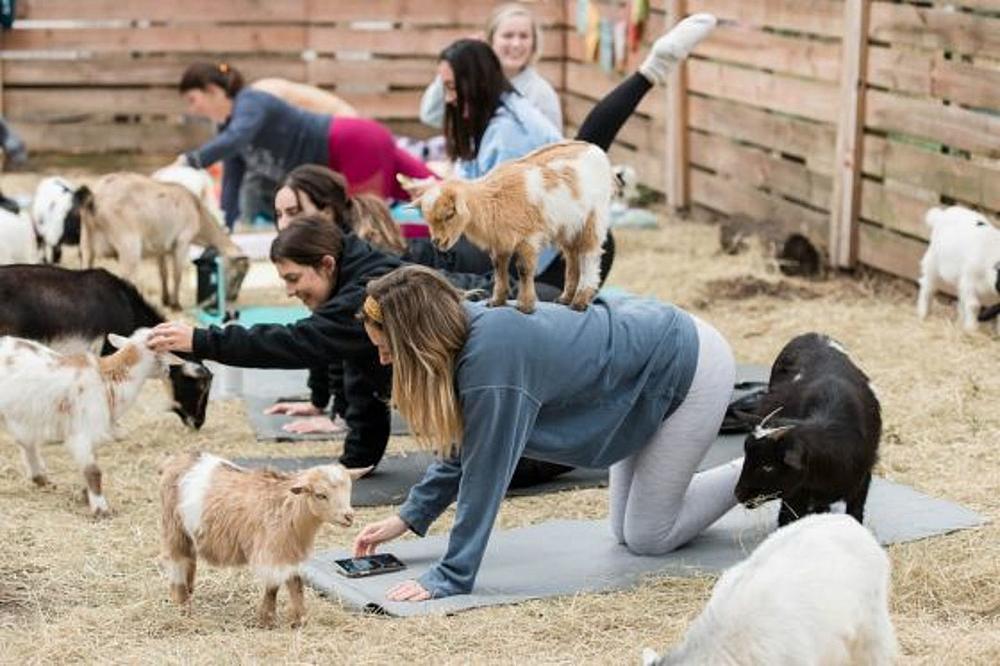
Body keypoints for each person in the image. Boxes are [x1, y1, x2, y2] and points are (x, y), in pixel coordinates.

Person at [352, 266, 741, 601]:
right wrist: (409, 516)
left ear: (419, 340)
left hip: (689, 366)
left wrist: (452, 574)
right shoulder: (462, 332)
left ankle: (756, 465)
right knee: (623, 533)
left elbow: (484, 472)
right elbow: (466, 443)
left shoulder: (491, 361)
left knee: (648, 538)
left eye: (388, 349)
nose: (384, 360)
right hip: (637, 375)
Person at [174, 62, 434, 229]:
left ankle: (442, 247)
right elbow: (232, 180)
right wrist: (225, 229)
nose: (192, 109)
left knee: (368, 228)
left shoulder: (250, 101)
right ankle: (452, 241)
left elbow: (238, 137)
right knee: (432, 192)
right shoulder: (227, 129)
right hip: (351, 148)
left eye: (192, 99)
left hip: (352, 143)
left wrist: (192, 160)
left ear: (211, 90)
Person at [420, 2, 562, 131]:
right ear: (490, 40)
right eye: (508, 36)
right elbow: (431, 115)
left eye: (524, 36)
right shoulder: (475, 83)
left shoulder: (542, 93)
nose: (516, 44)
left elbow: (554, 151)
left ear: (534, 43)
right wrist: (452, 68)